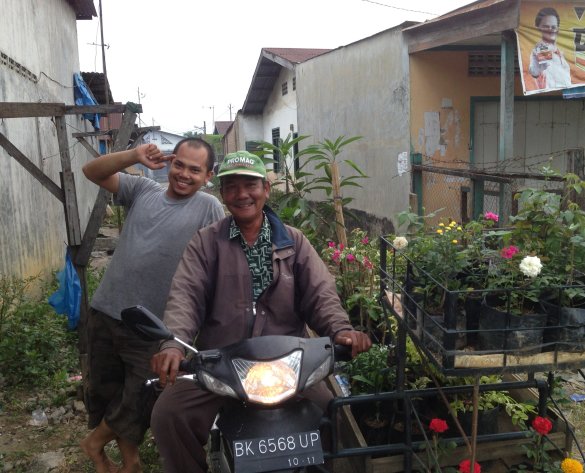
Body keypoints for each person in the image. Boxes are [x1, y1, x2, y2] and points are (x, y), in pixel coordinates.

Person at [150, 150, 372, 473]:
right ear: (222, 194)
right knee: (168, 415)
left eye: (250, 185)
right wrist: (172, 344)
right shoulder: (206, 243)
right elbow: (185, 296)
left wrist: (341, 330)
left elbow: (321, 293)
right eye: (231, 186)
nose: (242, 194)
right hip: (221, 363)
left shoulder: (294, 242)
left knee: (331, 414)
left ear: (266, 189)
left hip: (289, 365)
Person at [80, 138, 225, 473]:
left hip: (155, 327)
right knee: (110, 391)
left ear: (208, 175)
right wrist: (134, 155)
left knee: (141, 397)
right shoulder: (144, 188)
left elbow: (215, 264)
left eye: (194, 169)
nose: (184, 174)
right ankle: (130, 463)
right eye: (180, 165)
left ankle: (94, 443)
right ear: (170, 163)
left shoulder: (208, 208)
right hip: (106, 310)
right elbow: (91, 171)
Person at [528, 7, 571, 90]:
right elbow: (536, 71)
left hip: (564, 95)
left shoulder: (559, 52)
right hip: (551, 94)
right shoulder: (541, 48)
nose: (550, 30)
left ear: (558, 29)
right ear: (538, 28)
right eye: (546, 26)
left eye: (553, 27)